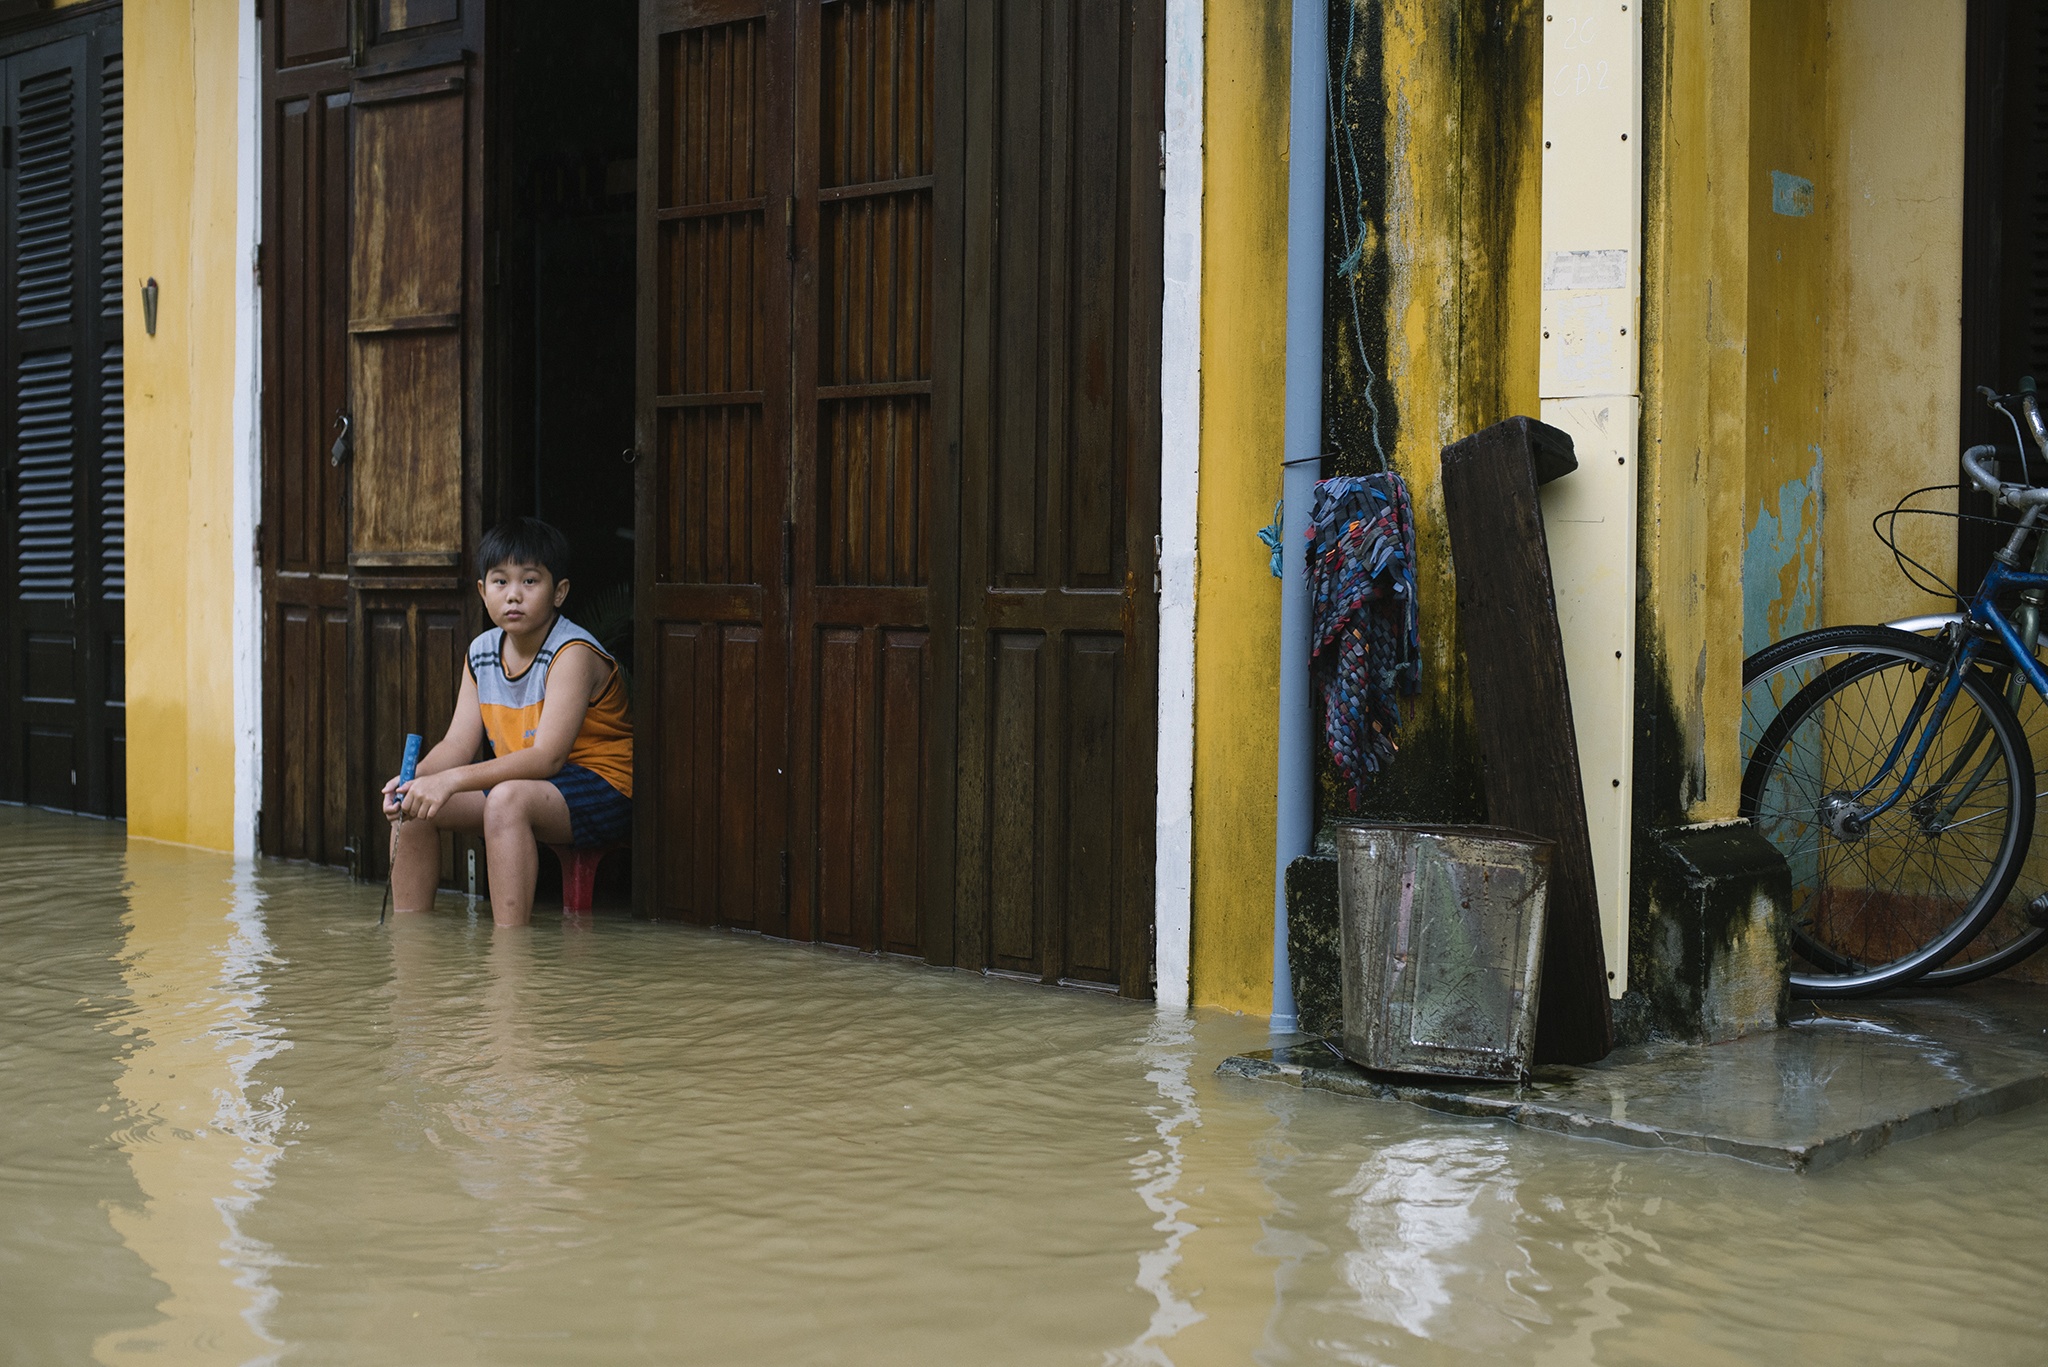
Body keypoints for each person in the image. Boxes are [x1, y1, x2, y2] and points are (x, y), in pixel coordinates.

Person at [384, 518, 632, 925]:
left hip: (603, 787)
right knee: (413, 805)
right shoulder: (481, 651)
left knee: (505, 800)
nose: (514, 595)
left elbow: (548, 758)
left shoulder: (572, 652)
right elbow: (457, 744)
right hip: (528, 785)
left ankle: (510, 950)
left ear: (559, 592)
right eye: (500, 582)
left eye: (530, 581)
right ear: (483, 591)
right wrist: (416, 779)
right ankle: (408, 939)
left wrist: (451, 780)